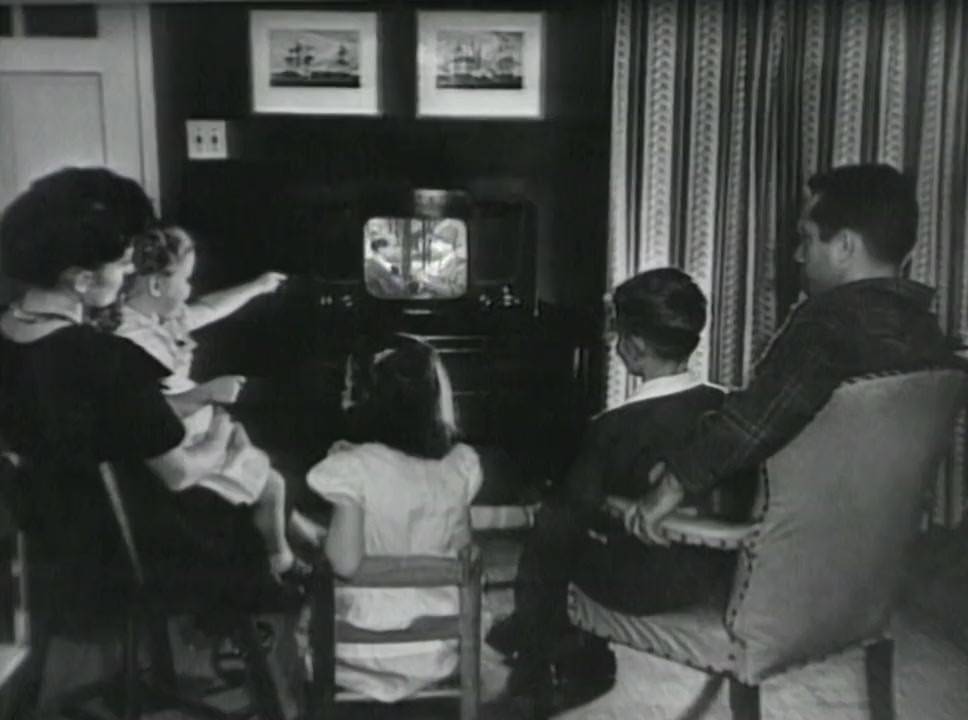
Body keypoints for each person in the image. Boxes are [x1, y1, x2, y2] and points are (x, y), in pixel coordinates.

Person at [626, 163, 967, 547]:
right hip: (867, 559)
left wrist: (671, 484)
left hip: (785, 555)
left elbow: (750, 425)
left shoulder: (825, 326)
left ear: (845, 246)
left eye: (807, 238)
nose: (798, 255)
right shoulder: (928, 335)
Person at [0, 167, 269, 619]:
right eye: (124, 264)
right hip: (126, 556)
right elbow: (180, 474)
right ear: (81, 280)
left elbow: (116, 427)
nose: (130, 274)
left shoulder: (9, 334)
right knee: (248, 512)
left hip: (44, 550)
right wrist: (222, 431)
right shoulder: (106, 359)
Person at [488, 268, 749, 713]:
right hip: (717, 573)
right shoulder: (727, 406)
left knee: (551, 534)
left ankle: (554, 654)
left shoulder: (613, 427)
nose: (614, 342)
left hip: (644, 584)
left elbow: (571, 515)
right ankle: (531, 627)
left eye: (618, 332)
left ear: (637, 345)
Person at [114, 225, 313, 588]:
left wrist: (257, 287)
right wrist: (207, 393)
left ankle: (300, 536)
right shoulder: (130, 339)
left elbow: (209, 308)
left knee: (265, 472)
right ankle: (282, 560)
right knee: (271, 484)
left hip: (196, 426)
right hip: (175, 447)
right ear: (156, 284)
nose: (190, 289)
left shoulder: (157, 317)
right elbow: (145, 411)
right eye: (186, 279)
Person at [295, 334, 483, 703]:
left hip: (364, 649)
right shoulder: (459, 465)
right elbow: (464, 549)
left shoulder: (354, 469)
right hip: (437, 646)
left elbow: (344, 563)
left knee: (297, 624)